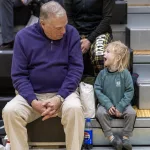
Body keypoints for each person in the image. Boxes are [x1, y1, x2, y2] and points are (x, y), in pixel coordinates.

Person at [2, 1, 84, 150]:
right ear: (43, 24)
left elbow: (76, 71)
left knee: (75, 109)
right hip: (32, 96)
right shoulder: (23, 37)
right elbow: (19, 75)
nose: (64, 31)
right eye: (59, 27)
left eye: (65, 25)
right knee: (10, 111)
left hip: (63, 95)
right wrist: (33, 101)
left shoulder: (72, 33)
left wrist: (59, 98)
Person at [94, 41, 136, 150]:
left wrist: (121, 106)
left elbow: (130, 91)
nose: (104, 54)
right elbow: (97, 90)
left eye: (107, 52)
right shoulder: (102, 74)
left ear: (117, 58)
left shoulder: (125, 73)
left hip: (122, 106)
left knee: (131, 113)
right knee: (99, 113)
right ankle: (112, 138)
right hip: (106, 106)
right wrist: (108, 105)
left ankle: (125, 138)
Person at [64, 0, 115, 76]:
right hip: (75, 30)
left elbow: (107, 19)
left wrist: (89, 40)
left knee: (100, 57)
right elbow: (67, 16)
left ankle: (100, 86)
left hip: (99, 31)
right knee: (63, 55)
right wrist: (77, 36)